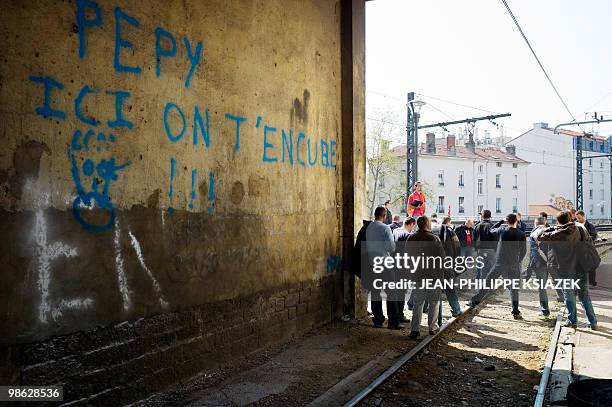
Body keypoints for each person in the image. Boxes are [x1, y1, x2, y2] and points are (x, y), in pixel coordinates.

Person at [538, 211, 598, 329]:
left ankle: (572, 320)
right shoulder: (580, 228)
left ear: (558, 221)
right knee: (584, 295)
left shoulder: (557, 234)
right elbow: (589, 242)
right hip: (581, 266)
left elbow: (540, 237)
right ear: (571, 219)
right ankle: (593, 321)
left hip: (565, 268)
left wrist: (555, 227)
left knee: (568, 294)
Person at [468, 213, 527, 319]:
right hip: (513, 265)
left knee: (487, 282)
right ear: (516, 221)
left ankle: (474, 301)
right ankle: (515, 311)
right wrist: (518, 261)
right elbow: (523, 251)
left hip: (500, 263)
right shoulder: (521, 234)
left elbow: (491, 230)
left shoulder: (502, 230)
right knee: (514, 289)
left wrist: (500, 221)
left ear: (507, 221)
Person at [406, 216, 445, 338]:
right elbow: (441, 257)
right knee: (433, 302)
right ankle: (432, 327)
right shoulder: (434, 239)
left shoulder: (411, 238)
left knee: (418, 302)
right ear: (427, 224)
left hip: (418, 275)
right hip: (433, 276)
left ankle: (415, 330)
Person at [365, 206, 402, 329]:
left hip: (372, 264)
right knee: (391, 293)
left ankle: (378, 320)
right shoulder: (385, 228)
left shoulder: (368, 227)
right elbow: (392, 247)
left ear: (375, 215)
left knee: (375, 292)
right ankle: (393, 322)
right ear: (384, 216)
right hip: (385, 263)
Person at [525, 216, 564, 317]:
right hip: (553, 262)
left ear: (535, 223)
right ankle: (565, 303)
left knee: (542, 287)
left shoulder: (533, 233)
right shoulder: (552, 231)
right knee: (558, 282)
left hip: (540, 263)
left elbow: (531, 252)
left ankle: (545, 310)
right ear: (545, 222)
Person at [438, 217, 462, 318]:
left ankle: (414, 305)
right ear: (448, 222)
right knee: (449, 288)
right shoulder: (450, 231)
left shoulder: (431, 232)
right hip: (448, 263)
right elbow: (457, 247)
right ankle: (456, 309)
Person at [576, 210, 598, 286]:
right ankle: (581, 283)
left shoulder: (590, 226)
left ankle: (592, 282)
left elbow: (594, 236)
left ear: (583, 216)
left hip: (589, 249)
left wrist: (584, 239)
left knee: (591, 265)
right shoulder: (575, 225)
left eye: (579, 218)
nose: (578, 220)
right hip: (579, 250)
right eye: (577, 218)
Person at [472, 210, 497, 279]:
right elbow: (495, 239)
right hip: (491, 249)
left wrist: (475, 248)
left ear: (482, 216)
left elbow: (474, 239)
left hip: (480, 250)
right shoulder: (492, 226)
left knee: (480, 266)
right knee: (491, 267)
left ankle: (480, 284)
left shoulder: (477, 226)